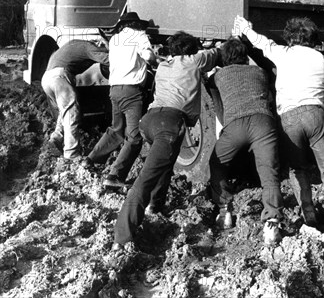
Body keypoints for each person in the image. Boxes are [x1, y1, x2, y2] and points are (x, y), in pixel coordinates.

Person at [233, 15, 324, 243]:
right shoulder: (323, 60)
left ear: (290, 36)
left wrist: (245, 28)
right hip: (317, 115)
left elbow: (261, 42)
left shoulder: (283, 53)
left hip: (288, 118)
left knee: (297, 170)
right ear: (313, 39)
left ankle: (309, 216)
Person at [112, 31, 220, 250]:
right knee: (146, 178)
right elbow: (216, 53)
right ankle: (121, 239)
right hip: (169, 124)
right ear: (192, 50)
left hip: (150, 121)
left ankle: (156, 205)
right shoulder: (194, 60)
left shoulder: (163, 66)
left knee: (164, 164)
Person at [208, 37, 284, 246]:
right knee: (269, 172)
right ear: (244, 56)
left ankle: (225, 213)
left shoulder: (217, 77)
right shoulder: (259, 72)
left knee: (217, 163)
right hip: (263, 123)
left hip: (235, 126)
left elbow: (218, 106)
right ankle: (271, 223)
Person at [85, 12, 156, 189]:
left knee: (116, 129)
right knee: (134, 138)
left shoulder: (115, 39)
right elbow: (148, 57)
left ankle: (90, 159)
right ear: (136, 24)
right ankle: (114, 176)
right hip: (131, 92)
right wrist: (156, 61)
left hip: (114, 90)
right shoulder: (139, 36)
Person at [41, 39, 109, 161]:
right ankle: (71, 153)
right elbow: (107, 59)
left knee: (65, 111)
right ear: (99, 43)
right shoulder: (88, 47)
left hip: (47, 79)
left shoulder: (73, 44)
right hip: (59, 77)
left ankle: (56, 138)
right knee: (72, 113)